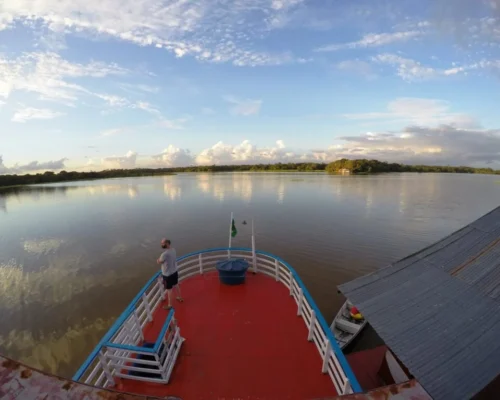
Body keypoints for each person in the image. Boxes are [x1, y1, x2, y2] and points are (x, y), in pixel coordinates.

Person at [157, 238, 183, 310]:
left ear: (167, 243)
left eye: (163, 243)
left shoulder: (164, 254)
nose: (161, 245)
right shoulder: (173, 250)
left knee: (169, 290)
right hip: (174, 272)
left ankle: (170, 305)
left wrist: (158, 260)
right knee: (176, 285)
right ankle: (180, 297)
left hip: (167, 275)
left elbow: (159, 261)